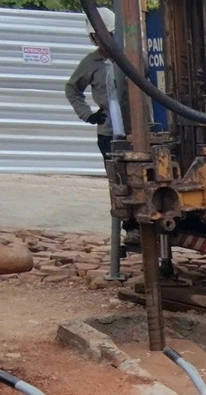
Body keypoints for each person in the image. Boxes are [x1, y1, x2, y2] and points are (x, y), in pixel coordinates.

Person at [66, 7, 137, 246]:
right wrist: (87, 114)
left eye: (107, 35)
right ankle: (130, 227)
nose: (102, 40)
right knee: (119, 182)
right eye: (97, 36)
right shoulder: (91, 63)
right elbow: (72, 89)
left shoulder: (134, 56)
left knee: (141, 178)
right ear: (92, 38)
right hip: (109, 134)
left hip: (139, 131)